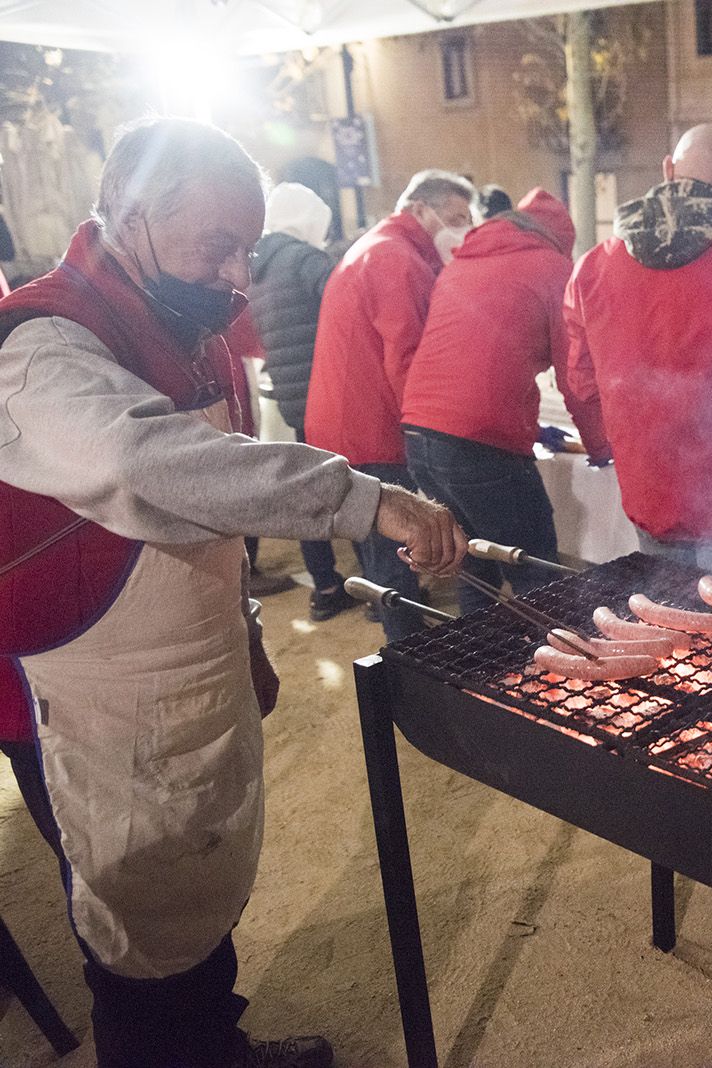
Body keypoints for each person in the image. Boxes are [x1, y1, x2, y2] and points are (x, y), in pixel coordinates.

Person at [0, 118, 467, 1068]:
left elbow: (222, 500)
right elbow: (143, 464)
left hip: (191, 669)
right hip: (86, 694)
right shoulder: (39, 344)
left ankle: (220, 1047)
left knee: (197, 895)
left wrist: (244, 630)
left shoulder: (193, 330)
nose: (238, 276)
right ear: (131, 218)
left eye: (246, 248)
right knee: (135, 932)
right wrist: (359, 499)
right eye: (219, 245)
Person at [563, 124, 712, 580]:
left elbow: (581, 383)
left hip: (648, 494)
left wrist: (610, 448)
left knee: (669, 631)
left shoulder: (593, 265)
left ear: (669, 170)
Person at [403, 188, 604, 612]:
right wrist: (602, 444)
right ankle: (553, 663)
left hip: (419, 433)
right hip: (478, 443)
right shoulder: (553, 268)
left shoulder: (463, 261)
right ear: (559, 239)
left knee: (475, 563)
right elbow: (576, 377)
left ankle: (481, 666)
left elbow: (479, 354)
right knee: (537, 570)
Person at [305, 168, 475, 640]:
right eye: (454, 216)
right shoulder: (396, 258)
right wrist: (432, 433)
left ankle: (405, 645)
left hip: (347, 421)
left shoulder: (378, 247)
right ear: (419, 208)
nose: (461, 226)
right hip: (370, 428)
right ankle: (412, 663)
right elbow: (408, 358)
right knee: (397, 558)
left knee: (382, 558)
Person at [249, 181, 357, 620]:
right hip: (330, 390)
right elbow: (347, 307)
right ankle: (376, 591)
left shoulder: (261, 267)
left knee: (311, 489)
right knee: (356, 484)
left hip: (294, 396)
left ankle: (325, 586)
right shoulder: (305, 260)